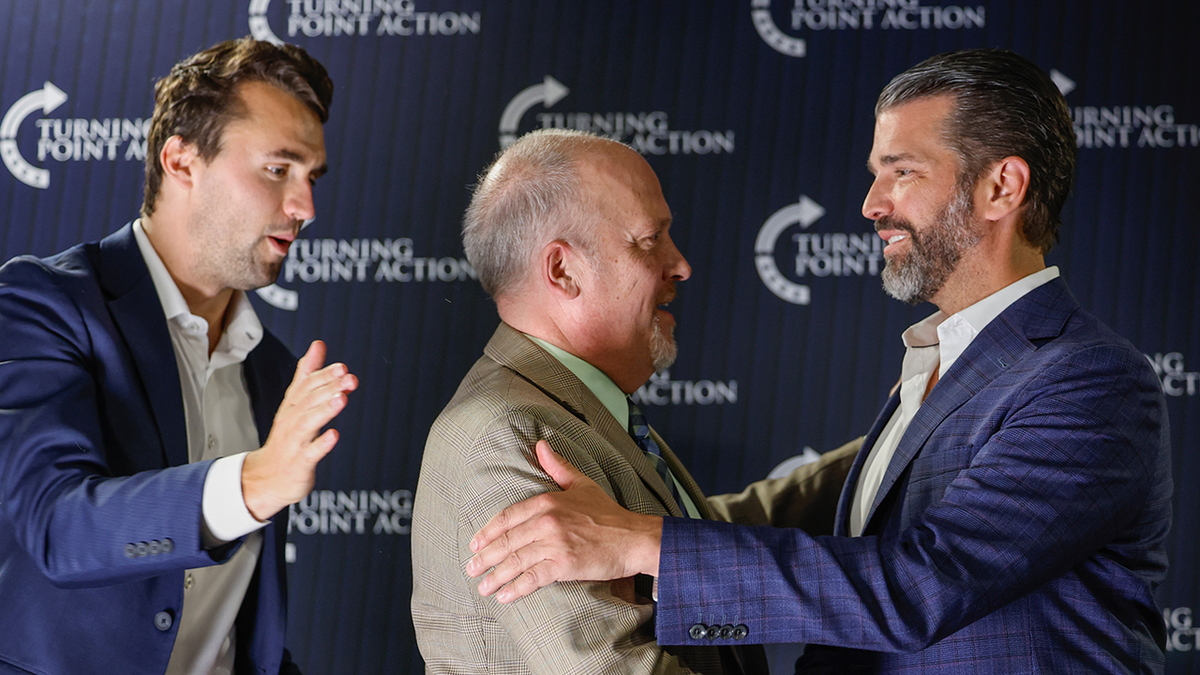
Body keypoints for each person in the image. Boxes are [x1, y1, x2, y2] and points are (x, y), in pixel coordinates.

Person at [466, 49, 1173, 673]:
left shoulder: (1088, 380)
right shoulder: (934, 372)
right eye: (875, 175)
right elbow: (846, 596)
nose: (871, 204)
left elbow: (916, 589)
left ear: (1002, 188)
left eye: (901, 172)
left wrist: (643, 543)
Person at [411, 129, 855, 674]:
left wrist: (899, 434)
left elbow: (699, 531)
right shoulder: (508, 435)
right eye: (650, 241)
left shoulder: (568, 406)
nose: (680, 265)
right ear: (562, 270)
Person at [0, 38, 358, 675]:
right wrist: (254, 481)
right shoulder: (44, 304)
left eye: (312, 177)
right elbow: (58, 526)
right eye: (279, 169)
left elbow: (239, 631)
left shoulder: (273, 369)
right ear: (181, 160)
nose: (305, 208)